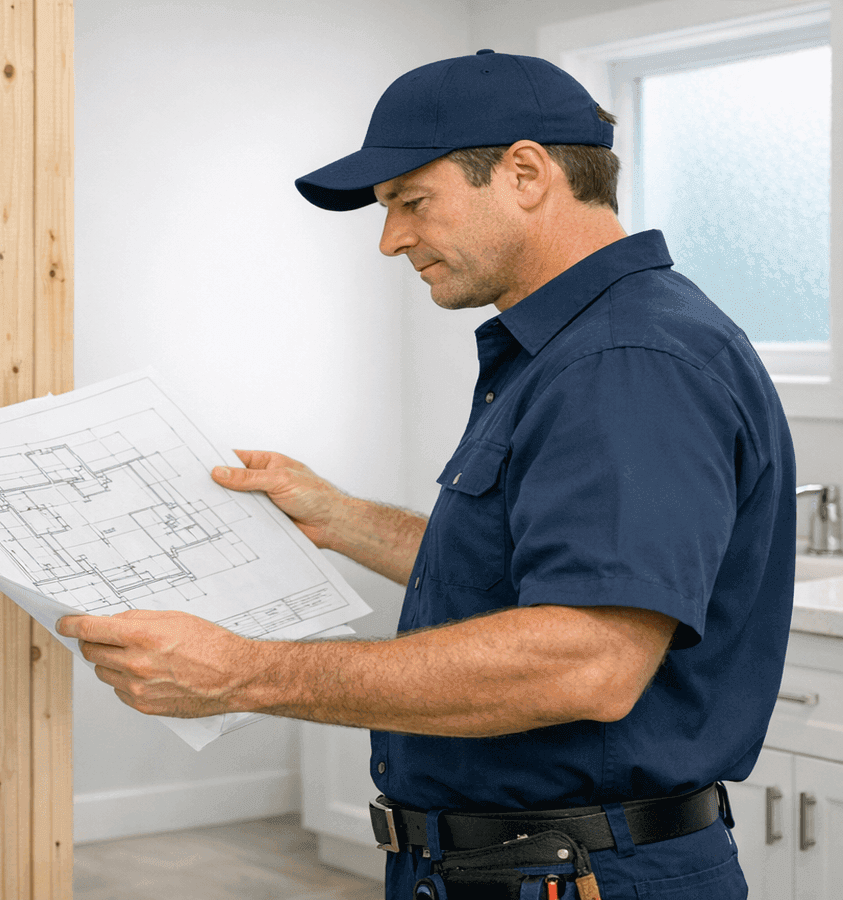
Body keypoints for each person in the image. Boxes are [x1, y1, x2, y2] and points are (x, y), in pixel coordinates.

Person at [56, 50, 795, 900]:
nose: (391, 240)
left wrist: (245, 672)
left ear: (525, 173)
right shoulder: (578, 348)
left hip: (582, 873)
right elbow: (530, 574)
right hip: (519, 866)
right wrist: (340, 518)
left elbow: (584, 660)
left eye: (411, 202)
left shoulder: (625, 361)